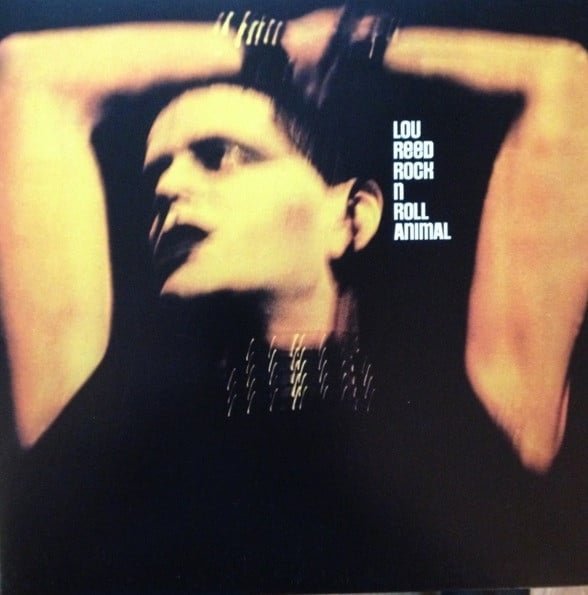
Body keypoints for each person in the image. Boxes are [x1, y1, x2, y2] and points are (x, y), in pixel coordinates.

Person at [0, 2, 586, 592]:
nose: (168, 188)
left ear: (351, 216)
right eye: (157, 175)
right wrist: (264, 41)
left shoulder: (471, 410)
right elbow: (32, 71)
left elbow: (559, 76)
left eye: (220, 156)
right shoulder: (101, 411)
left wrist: (356, 45)